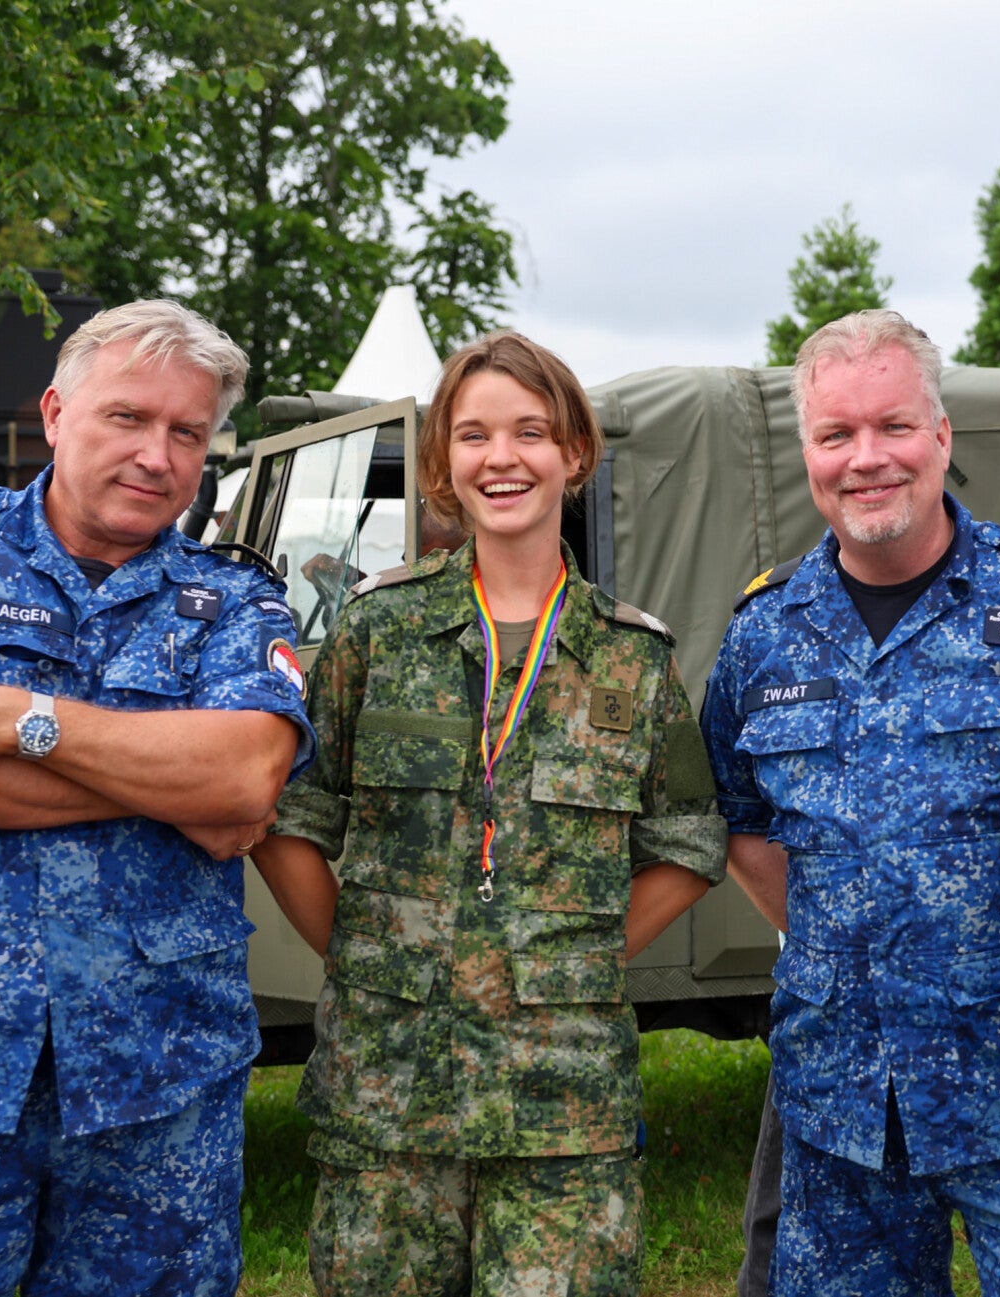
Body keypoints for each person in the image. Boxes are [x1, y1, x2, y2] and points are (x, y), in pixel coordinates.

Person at [0, 300, 314, 1296]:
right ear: (55, 413)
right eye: (128, 416)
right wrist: (173, 781)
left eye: (187, 433)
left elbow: (246, 778)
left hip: (156, 1084)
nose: (157, 454)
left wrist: (12, 716)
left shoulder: (235, 598)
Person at [248, 331, 728, 1297]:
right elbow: (290, 812)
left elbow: (690, 836)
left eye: (530, 432)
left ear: (574, 454)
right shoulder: (378, 629)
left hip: (564, 1109)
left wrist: (578, 961)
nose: (502, 458)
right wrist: (362, 951)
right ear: (442, 460)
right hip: (388, 1098)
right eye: (473, 435)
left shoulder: (632, 656)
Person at [701, 309, 1000, 1295]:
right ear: (808, 452)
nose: (867, 457)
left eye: (895, 425)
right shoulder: (762, 635)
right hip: (842, 1116)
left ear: (943, 435)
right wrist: (859, 943)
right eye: (836, 433)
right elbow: (742, 821)